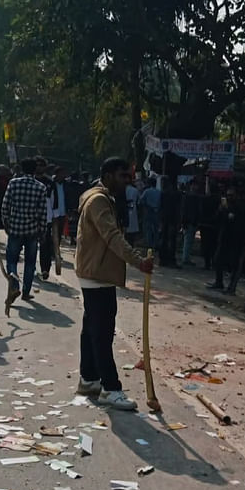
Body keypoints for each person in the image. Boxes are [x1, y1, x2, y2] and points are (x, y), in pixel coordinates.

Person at [75, 157, 154, 410]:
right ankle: (111, 388)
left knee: (91, 330)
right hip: (96, 273)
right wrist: (138, 261)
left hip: (96, 272)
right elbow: (112, 237)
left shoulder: (99, 197)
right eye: (123, 176)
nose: (127, 182)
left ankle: (88, 379)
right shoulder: (98, 200)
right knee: (102, 333)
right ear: (108, 176)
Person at [2, 158, 48, 308]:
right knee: (30, 263)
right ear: (35, 170)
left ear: (21, 168)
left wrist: (7, 225)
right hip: (32, 231)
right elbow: (42, 213)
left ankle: (14, 286)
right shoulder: (40, 187)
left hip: (15, 229)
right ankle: (26, 292)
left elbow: (5, 207)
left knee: (12, 260)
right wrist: (42, 231)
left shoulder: (13, 183)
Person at [207, 188, 245, 290]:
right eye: (228, 195)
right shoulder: (225, 207)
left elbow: (243, 224)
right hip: (224, 237)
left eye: (232, 195)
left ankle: (232, 286)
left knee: (234, 263)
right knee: (218, 260)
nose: (229, 197)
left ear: (236, 196)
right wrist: (221, 210)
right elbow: (217, 219)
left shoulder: (241, 208)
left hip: (236, 239)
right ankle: (219, 282)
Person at [34, 157, 54, 280]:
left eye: (42, 165)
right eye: (37, 165)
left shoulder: (49, 182)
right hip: (31, 218)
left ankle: (45, 269)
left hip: (47, 218)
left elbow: (53, 201)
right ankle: (31, 268)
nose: (39, 167)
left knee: (45, 245)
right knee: (30, 245)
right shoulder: (31, 180)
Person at [49, 165, 69, 275]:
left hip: (63, 212)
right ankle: (52, 252)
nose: (63, 175)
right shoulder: (51, 184)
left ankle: (56, 251)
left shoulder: (66, 185)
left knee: (59, 233)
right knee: (53, 234)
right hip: (53, 212)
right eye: (61, 173)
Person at [159, 178, 182, 267]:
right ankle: (171, 259)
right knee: (172, 240)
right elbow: (178, 209)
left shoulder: (163, 194)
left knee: (164, 239)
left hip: (164, 218)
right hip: (172, 219)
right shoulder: (176, 195)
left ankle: (163, 259)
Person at [181, 182, 201, 266]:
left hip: (188, 221)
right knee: (188, 241)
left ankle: (186, 257)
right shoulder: (195, 198)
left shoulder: (186, 197)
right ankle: (186, 258)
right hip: (190, 222)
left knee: (188, 240)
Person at [139, 179, 161, 250]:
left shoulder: (147, 191)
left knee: (148, 228)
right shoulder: (159, 192)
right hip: (157, 211)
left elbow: (141, 200)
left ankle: (149, 244)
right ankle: (156, 244)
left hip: (148, 210)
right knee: (156, 229)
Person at [124, 180, 140, 245]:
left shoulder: (122, 190)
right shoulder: (135, 190)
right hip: (133, 213)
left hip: (125, 214)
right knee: (132, 236)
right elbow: (139, 202)